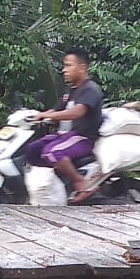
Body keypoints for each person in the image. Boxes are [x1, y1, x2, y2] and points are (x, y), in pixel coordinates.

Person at [27, 47, 104, 203]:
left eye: (69, 65)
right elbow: (56, 110)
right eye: (64, 65)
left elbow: (76, 112)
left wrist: (49, 115)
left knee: (53, 152)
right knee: (32, 150)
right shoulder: (70, 90)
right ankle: (57, 182)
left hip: (83, 138)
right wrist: (38, 115)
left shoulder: (90, 89)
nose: (64, 70)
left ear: (82, 67)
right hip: (66, 136)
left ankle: (79, 182)